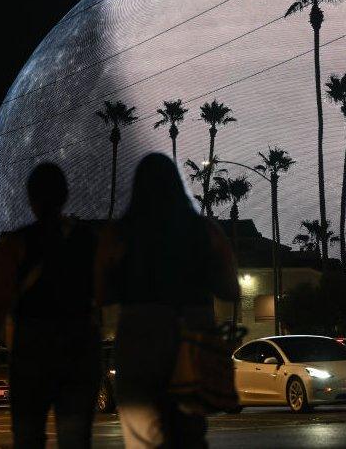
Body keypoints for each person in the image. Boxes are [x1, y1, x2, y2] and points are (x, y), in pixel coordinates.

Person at [96, 153, 240, 448]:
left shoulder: (118, 234)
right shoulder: (206, 231)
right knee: (189, 431)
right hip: (193, 335)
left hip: (139, 336)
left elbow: (99, 293)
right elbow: (230, 289)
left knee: (142, 434)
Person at [0, 162, 102, 448]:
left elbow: (0, 300)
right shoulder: (89, 239)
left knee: (28, 434)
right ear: (65, 195)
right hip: (79, 343)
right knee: (74, 436)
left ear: (31, 198)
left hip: (32, 346)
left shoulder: (16, 243)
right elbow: (103, 291)